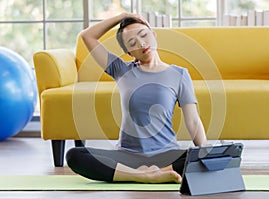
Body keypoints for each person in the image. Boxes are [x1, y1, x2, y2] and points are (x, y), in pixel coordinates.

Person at [66, 12, 207, 184]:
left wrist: (205, 153)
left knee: (197, 156)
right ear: (129, 52)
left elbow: (192, 121)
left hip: (167, 155)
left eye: (143, 35)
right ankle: (144, 176)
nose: (141, 43)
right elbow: (87, 36)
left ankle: (153, 172)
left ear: (153, 35)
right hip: (127, 157)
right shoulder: (121, 70)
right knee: (74, 155)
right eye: (132, 43)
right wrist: (123, 16)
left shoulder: (179, 74)